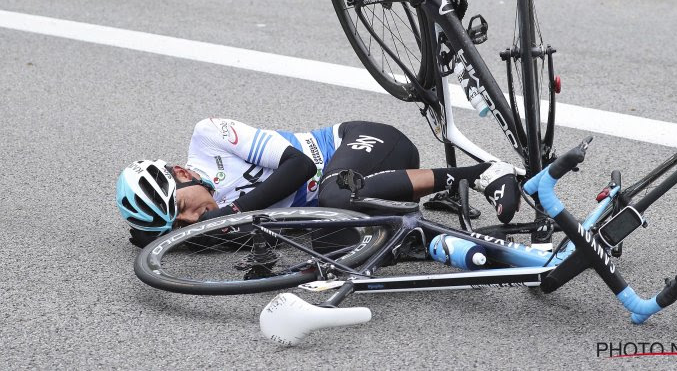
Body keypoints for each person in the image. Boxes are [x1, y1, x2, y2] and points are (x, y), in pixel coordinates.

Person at [116, 118, 521, 247]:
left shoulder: (208, 138)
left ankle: (481, 173)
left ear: (183, 174)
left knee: (332, 194)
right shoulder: (205, 220)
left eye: (182, 205)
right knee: (327, 236)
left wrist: (234, 212)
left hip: (365, 142)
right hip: (361, 191)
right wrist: (155, 236)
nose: (194, 218)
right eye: (181, 223)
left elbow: (299, 167)